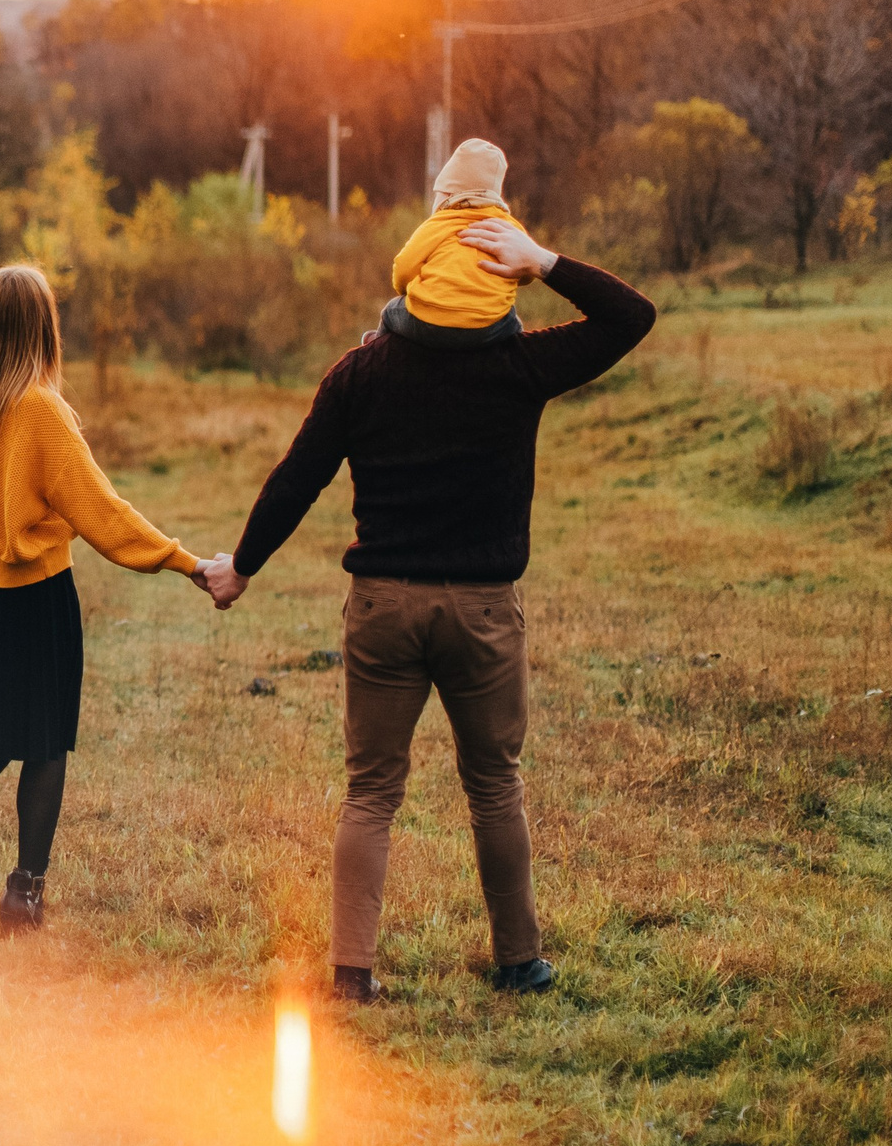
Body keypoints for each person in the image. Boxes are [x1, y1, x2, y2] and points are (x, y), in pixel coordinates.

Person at [196, 217, 654, 1002]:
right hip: (484, 614)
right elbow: (631, 317)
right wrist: (545, 261)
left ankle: (351, 974)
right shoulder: (521, 363)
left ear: (414, 275)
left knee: (371, 791)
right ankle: (519, 964)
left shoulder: (361, 370)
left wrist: (241, 568)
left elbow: (298, 476)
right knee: (495, 785)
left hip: (383, 607)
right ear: (496, 282)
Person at [0, 264, 210, 946]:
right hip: (34, 599)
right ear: (42, 329)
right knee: (44, 742)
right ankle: (23, 897)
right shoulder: (39, 408)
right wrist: (185, 561)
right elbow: (103, 511)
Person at [384, 138, 532, 348]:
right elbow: (528, 270)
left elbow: (404, 267)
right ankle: (514, 356)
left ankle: (375, 347)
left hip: (431, 322)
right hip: (489, 327)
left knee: (390, 311)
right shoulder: (510, 228)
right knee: (512, 318)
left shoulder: (439, 223)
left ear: (448, 194)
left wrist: (405, 291)